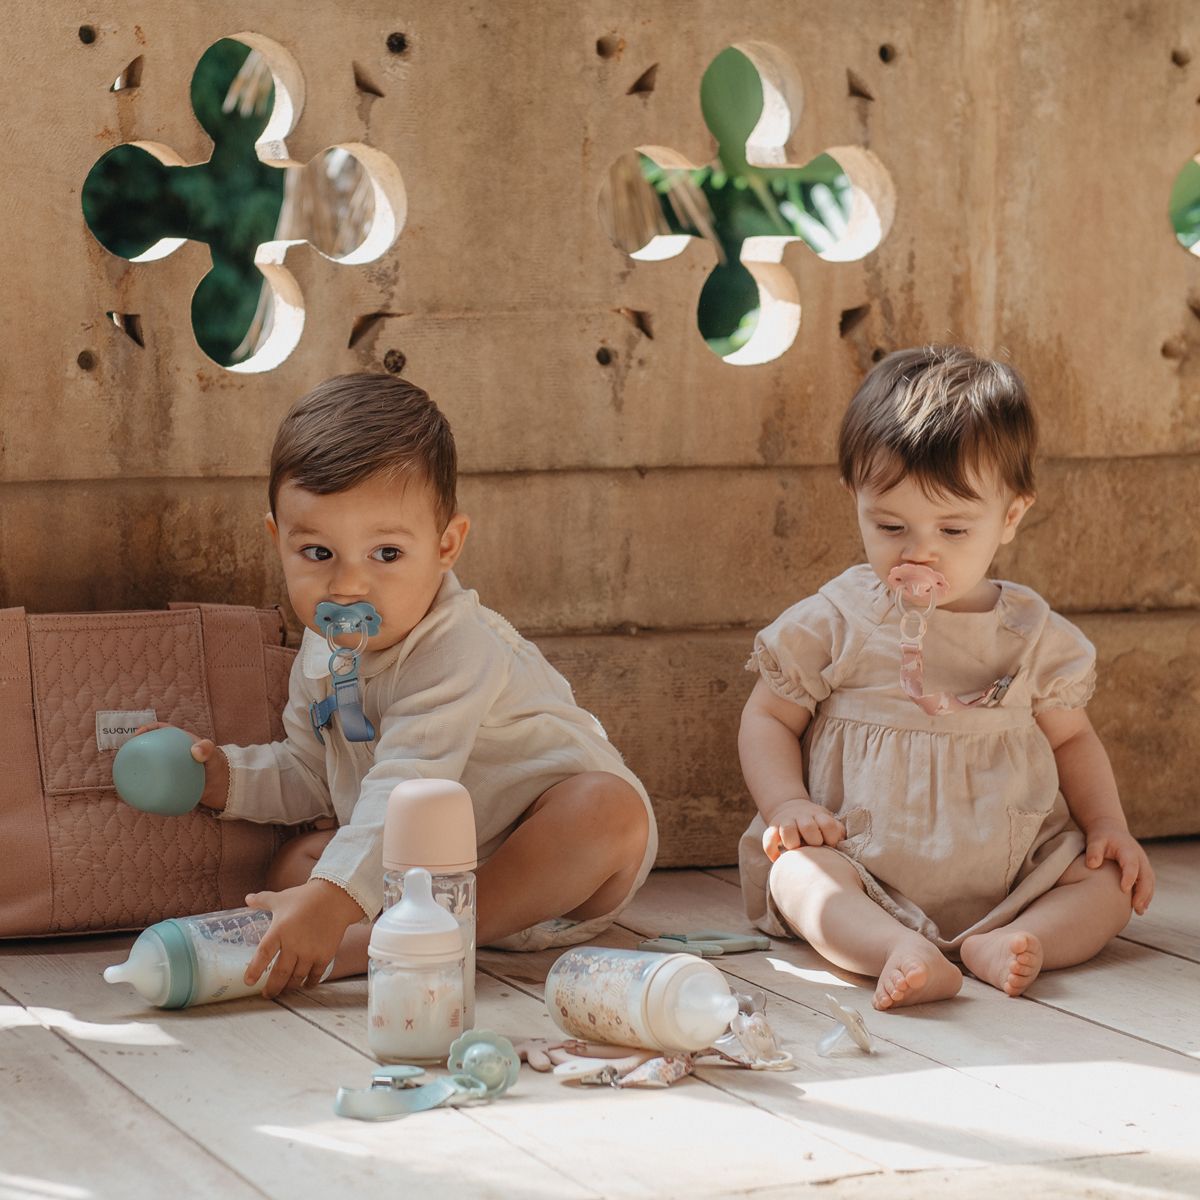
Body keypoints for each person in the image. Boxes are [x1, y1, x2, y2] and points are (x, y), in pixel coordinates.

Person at [143, 372, 655, 998]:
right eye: (318, 553)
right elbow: (314, 772)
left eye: (386, 554)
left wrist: (335, 899)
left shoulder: (458, 647)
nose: (348, 586)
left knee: (607, 809)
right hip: (428, 869)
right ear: (278, 541)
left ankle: (395, 943)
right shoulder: (324, 650)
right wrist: (225, 778)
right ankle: (389, 926)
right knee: (296, 863)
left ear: (446, 545)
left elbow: (408, 780)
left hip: (551, 867)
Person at [737, 345, 1153, 1011]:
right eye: (890, 525)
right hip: (861, 859)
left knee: (1110, 884)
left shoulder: (1032, 635)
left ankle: (1018, 940)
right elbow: (768, 717)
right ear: (855, 501)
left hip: (1013, 869)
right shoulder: (839, 619)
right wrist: (787, 804)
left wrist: (1108, 824)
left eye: (954, 529)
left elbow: (1073, 740)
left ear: (1010, 517)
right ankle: (892, 947)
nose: (919, 550)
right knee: (800, 877)